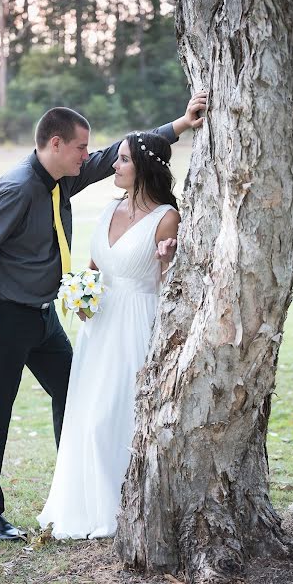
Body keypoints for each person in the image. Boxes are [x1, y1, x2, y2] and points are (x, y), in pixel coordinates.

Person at [0, 93, 207, 542]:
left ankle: (82, 487)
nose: (89, 157)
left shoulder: (61, 179)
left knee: (73, 394)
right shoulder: (17, 189)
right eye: (81, 149)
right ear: (56, 144)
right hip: (4, 320)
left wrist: (181, 124)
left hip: (43, 318)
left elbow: (123, 153)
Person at [37, 131, 181, 539]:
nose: (114, 167)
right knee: (87, 413)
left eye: (122, 160)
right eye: (115, 159)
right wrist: (81, 296)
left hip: (137, 323)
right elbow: (94, 268)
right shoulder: (109, 209)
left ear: (143, 167)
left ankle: (121, 504)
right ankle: (86, 502)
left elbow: (172, 285)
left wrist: (169, 261)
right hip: (98, 327)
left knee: (115, 417)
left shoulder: (166, 217)